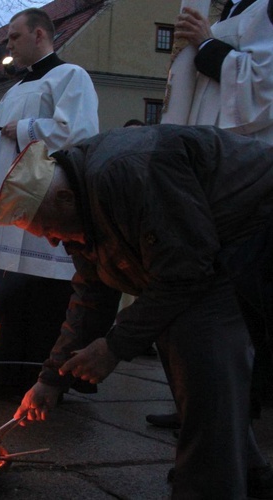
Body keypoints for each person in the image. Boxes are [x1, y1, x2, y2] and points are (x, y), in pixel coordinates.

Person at [0, 126, 273, 498]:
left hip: (254, 223)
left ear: (63, 198)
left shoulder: (127, 172)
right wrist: (51, 380)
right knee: (176, 335)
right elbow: (92, 296)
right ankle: (244, 469)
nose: (53, 241)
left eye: (48, 230)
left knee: (200, 343)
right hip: (207, 247)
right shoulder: (81, 205)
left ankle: (210, 486)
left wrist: (114, 346)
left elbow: (187, 270)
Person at [0, 8, 99, 395]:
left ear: (39, 35)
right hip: (6, 216)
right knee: (1, 296)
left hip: (44, 212)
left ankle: (39, 381)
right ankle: (0, 375)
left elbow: (78, 134)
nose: (7, 45)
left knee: (41, 300)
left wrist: (24, 128)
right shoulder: (12, 92)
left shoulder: (70, 77)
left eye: (13, 37)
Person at [148, 0, 273, 430]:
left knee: (243, 293)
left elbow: (265, 85)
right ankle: (200, 398)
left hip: (251, 174)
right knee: (205, 283)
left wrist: (205, 46)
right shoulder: (231, 9)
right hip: (210, 167)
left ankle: (242, 405)